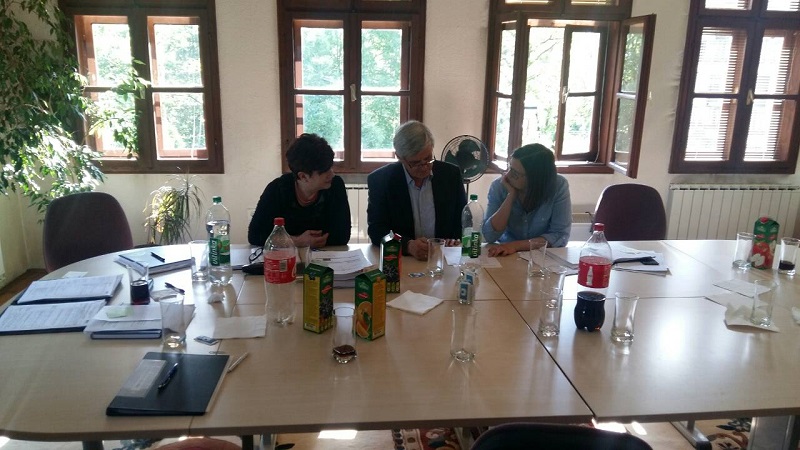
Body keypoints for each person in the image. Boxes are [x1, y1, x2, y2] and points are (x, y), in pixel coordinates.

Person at [367, 121, 467, 260]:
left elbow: (462, 220)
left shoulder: (451, 175)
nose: (424, 167)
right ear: (400, 157)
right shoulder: (381, 180)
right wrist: (407, 245)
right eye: (415, 163)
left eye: (428, 159)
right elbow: (377, 230)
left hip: (443, 258)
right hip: (403, 259)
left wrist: (454, 240)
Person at [248, 133, 351, 248]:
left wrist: (284, 240)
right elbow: (255, 236)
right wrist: (297, 241)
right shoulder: (277, 189)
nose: (332, 174)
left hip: (326, 256)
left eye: (331, 167)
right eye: (325, 171)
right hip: (286, 256)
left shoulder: (335, 185)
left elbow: (342, 237)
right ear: (303, 176)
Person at [482, 143, 571, 257]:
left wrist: (515, 246)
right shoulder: (499, 186)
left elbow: (560, 235)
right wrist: (511, 196)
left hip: (542, 256)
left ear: (535, 178)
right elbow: (489, 236)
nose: (507, 175)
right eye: (509, 168)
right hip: (505, 254)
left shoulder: (558, 185)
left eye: (515, 173)